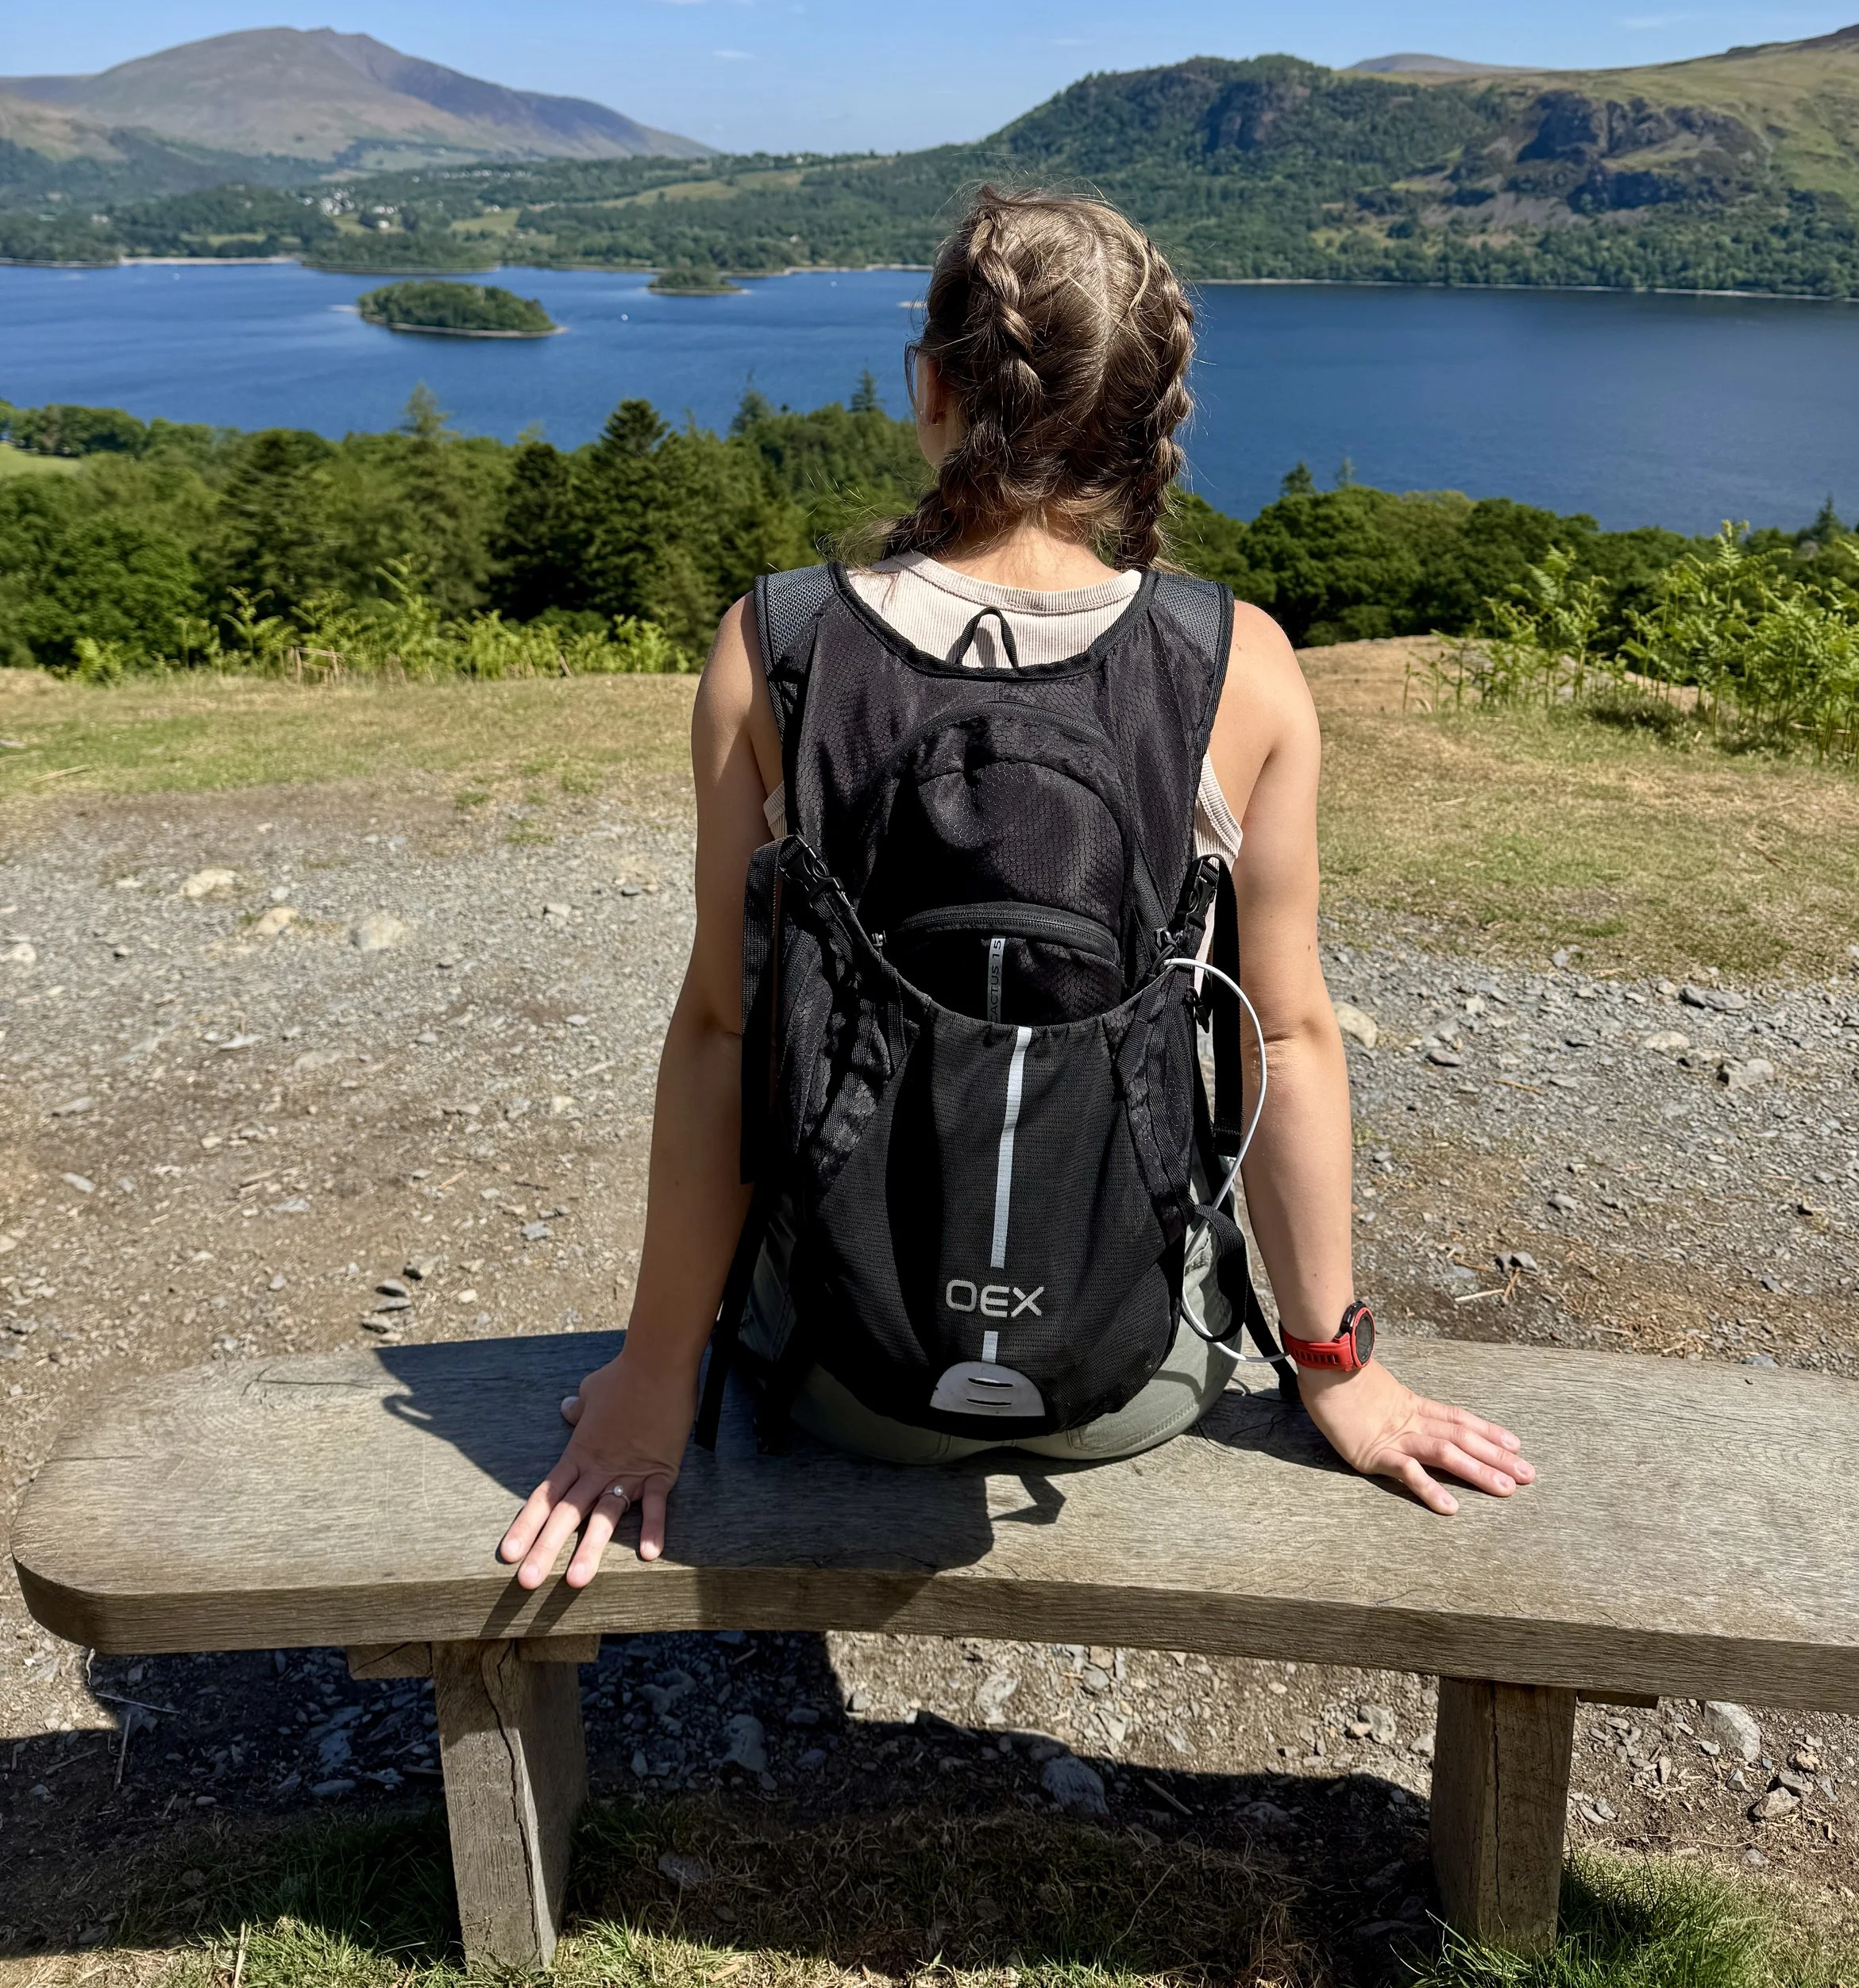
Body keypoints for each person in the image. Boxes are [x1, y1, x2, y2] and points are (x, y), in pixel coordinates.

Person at [499, 187, 1533, 1591]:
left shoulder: (782, 646)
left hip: (834, 1376)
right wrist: (1337, 1369)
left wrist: (651, 1375)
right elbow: (1280, 1036)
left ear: (927, 383)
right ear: (1149, 415)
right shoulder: (1239, 663)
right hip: (1132, 1382)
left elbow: (722, 1034)